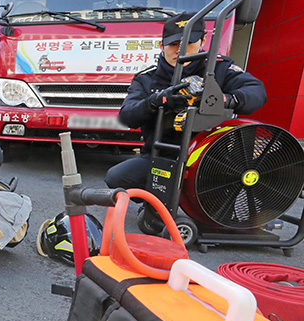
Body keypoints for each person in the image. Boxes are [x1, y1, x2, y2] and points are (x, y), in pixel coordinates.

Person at [105, 11, 266, 191]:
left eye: (188, 43)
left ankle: (202, 204)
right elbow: (127, 116)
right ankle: (155, 202)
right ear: (161, 45)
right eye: (173, 44)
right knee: (116, 178)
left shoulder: (220, 68)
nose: (180, 50)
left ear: (202, 41)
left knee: (218, 206)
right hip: (160, 155)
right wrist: (156, 101)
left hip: (208, 158)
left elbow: (257, 91)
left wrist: (222, 99)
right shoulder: (146, 78)